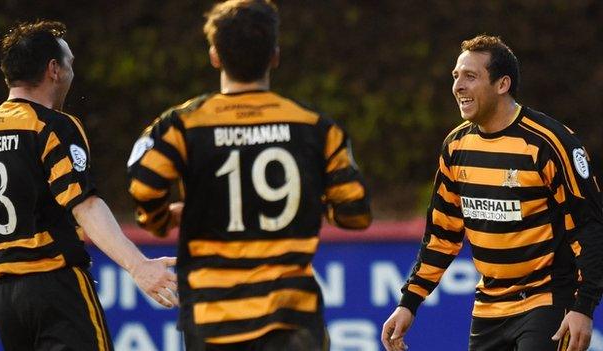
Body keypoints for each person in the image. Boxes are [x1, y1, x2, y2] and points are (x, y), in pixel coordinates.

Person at [126, 1, 372, 350]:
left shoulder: (182, 124)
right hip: (293, 319)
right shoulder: (316, 126)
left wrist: (161, 220)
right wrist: (311, 202)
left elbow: (144, 185)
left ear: (214, 56)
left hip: (213, 317)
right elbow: (356, 213)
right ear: (275, 55)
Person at [382, 34, 603, 351]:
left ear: (502, 85)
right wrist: (409, 302)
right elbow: (442, 235)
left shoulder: (549, 143)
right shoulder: (456, 146)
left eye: (470, 76)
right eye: (456, 76)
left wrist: (584, 306)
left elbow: (590, 226)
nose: (458, 86)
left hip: (548, 299)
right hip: (489, 306)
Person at [0, 21, 179, 350]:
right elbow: (84, 204)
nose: (73, 72)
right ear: (53, 69)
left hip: (2, 301)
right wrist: (138, 266)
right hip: (55, 286)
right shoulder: (52, 125)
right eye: (70, 63)